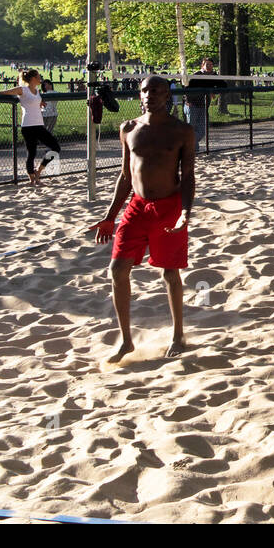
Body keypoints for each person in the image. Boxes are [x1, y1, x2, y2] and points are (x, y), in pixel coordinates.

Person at [90, 75, 196, 361]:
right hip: (137, 207)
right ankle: (126, 341)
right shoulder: (128, 128)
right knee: (117, 269)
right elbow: (126, 176)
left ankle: (178, 335)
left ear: (167, 96)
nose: (150, 95)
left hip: (169, 206)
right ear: (140, 94)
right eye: (146, 90)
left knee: (169, 272)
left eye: (157, 91)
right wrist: (110, 216)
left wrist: (186, 211)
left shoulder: (182, 131)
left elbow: (187, 176)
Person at [0, 69, 62, 187]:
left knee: (55, 147)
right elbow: (4, 92)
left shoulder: (37, 91)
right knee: (31, 153)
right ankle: (32, 178)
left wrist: (41, 103)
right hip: (27, 126)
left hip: (39, 125)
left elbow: (37, 100)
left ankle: (38, 171)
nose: (40, 78)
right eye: (38, 76)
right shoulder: (22, 89)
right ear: (33, 78)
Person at [185, 57, 225, 146]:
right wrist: (188, 101)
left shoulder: (213, 76)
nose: (209, 66)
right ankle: (193, 148)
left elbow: (224, 85)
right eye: (207, 64)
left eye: (211, 64)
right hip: (192, 105)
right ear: (202, 65)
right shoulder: (196, 75)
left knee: (202, 130)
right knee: (191, 128)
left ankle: (191, 144)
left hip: (204, 105)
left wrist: (213, 90)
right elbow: (187, 89)